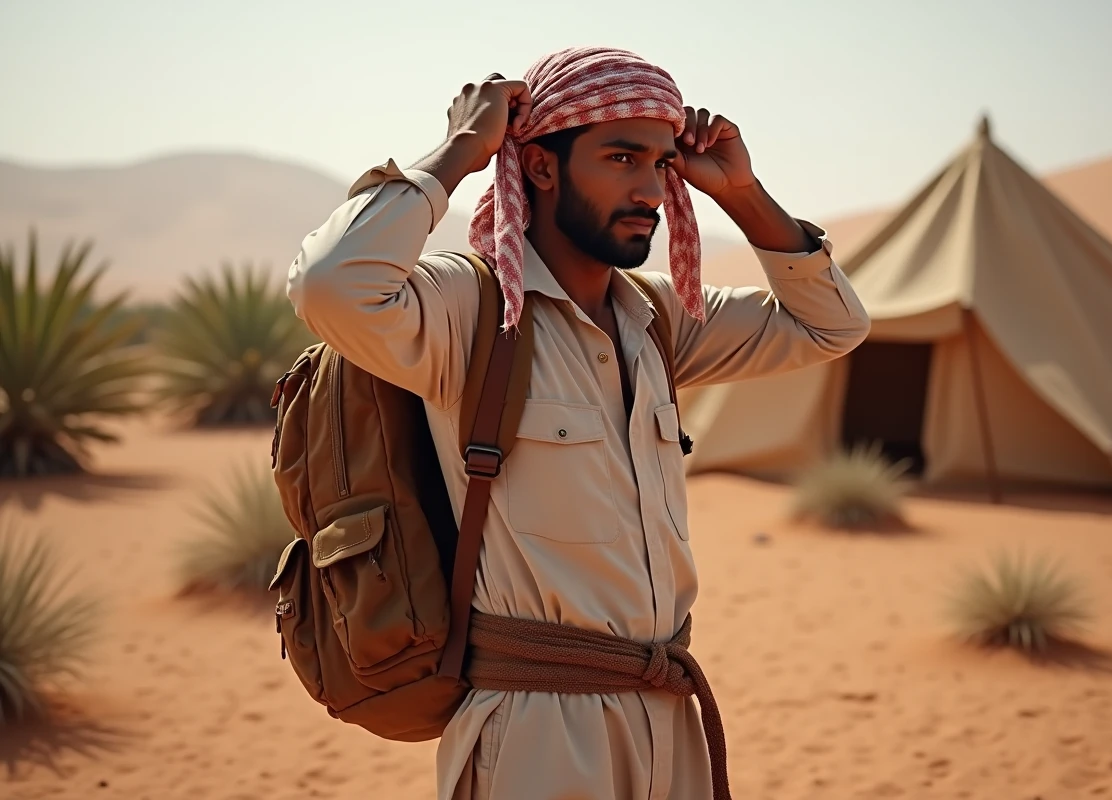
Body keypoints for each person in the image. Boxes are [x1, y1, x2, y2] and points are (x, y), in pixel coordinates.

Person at [287, 46, 869, 800]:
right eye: (622, 157)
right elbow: (331, 284)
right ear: (540, 167)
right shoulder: (472, 313)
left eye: (661, 163)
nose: (650, 189)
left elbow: (832, 325)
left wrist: (745, 193)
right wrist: (464, 148)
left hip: (670, 713)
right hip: (539, 732)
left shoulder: (658, 318)